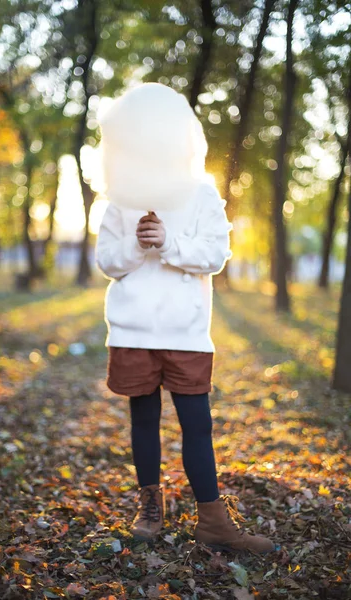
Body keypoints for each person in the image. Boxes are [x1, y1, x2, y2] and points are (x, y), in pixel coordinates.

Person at [95, 83, 279, 554]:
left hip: (187, 335)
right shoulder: (119, 198)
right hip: (134, 332)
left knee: (197, 424)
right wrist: (138, 243)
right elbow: (109, 263)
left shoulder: (201, 192)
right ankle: (149, 507)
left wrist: (168, 243)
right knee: (143, 421)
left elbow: (215, 255)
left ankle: (213, 520)